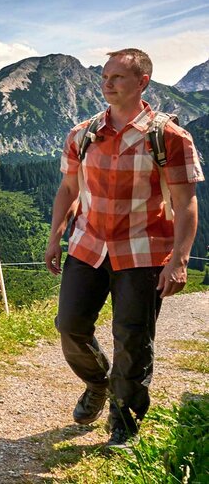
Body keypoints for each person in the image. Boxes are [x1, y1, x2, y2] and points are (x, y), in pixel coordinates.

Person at [44, 48, 202, 448]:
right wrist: (54, 236)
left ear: (142, 82)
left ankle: (124, 420)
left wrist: (179, 262)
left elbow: (186, 204)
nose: (108, 84)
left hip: (145, 251)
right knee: (70, 325)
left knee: (133, 339)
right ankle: (99, 383)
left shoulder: (168, 136)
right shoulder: (82, 134)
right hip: (88, 244)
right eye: (105, 77)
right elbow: (68, 189)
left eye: (117, 77)